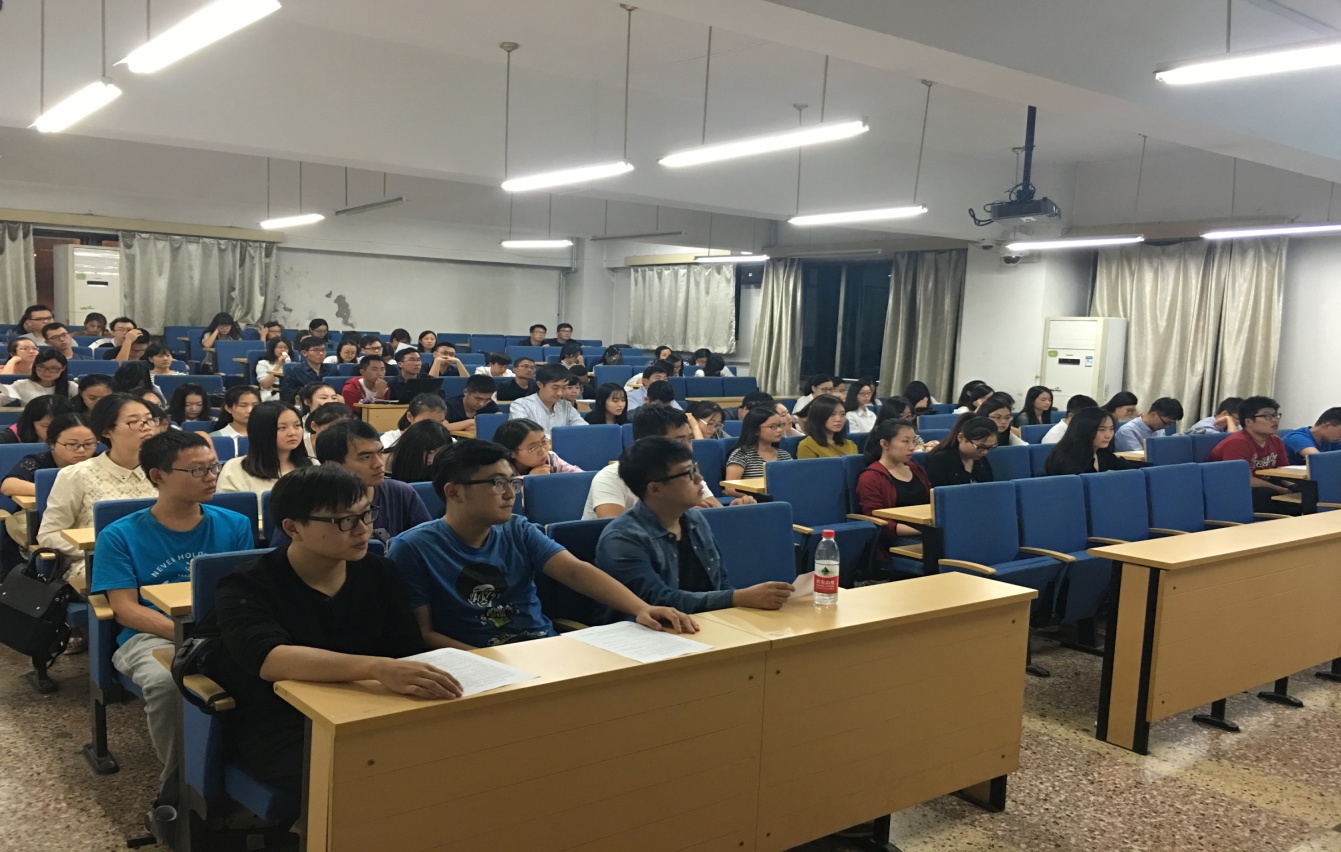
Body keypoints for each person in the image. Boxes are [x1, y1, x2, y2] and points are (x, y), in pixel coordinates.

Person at [211, 465, 461, 802]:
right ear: (292, 527)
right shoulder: (247, 584)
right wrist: (375, 668)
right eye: (343, 521)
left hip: (372, 707)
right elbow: (269, 658)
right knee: (380, 774)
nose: (362, 529)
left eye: (366, 514)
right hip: (286, 722)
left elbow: (405, 649)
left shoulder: (380, 573)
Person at [388, 439, 697, 649]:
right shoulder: (413, 549)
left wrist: (642, 608)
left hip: (543, 651)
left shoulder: (517, 529)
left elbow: (575, 571)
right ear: (454, 492)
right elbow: (424, 635)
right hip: (473, 666)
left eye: (513, 482)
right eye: (496, 483)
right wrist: (487, 661)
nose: (510, 494)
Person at [91, 430, 254, 814]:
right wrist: (186, 635)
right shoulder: (120, 535)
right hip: (149, 637)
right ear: (157, 476)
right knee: (169, 683)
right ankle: (178, 794)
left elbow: (245, 593)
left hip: (220, 632)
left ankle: (243, 776)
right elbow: (125, 609)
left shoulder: (234, 524)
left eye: (213, 467)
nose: (211, 477)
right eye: (197, 470)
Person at [595, 436, 791, 617]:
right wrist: (737, 598)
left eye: (695, 469)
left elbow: (720, 582)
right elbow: (658, 601)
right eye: (688, 473)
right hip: (653, 633)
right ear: (655, 489)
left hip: (710, 623)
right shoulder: (622, 538)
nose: (699, 479)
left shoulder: (694, 519)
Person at [38, 394, 159, 576]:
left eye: (149, 420)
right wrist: (104, 549)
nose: (147, 428)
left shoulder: (165, 471)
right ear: (106, 431)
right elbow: (48, 535)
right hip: (98, 563)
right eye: (134, 422)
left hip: (158, 557)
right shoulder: (77, 475)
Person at [270, 419, 431, 547]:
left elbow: (426, 545)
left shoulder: (401, 493)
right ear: (332, 465)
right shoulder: (306, 501)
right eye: (365, 457)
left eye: (380, 452)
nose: (379, 463)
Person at [583, 405, 748, 519]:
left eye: (689, 439)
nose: (688, 449)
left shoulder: (687, 473)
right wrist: (682, 516)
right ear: (648, 443)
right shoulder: (610, 478)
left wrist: (734, 511)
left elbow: (715, 512)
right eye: (679, 441)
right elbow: (617, 531)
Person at [856, 418, 931, 558]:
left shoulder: (916, 468)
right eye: (905, 441)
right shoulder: (871, 477)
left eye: (913, 441)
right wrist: (923, 530)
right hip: (895, 538)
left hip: (926, 531)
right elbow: (875, 519)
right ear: (885, 444)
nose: (912, 447)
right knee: (941, 548)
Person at [1206, 397, 1294, 511]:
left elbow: (1283, 471)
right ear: (1249, 422)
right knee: (1266, 494)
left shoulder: (1276, 440)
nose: (1274, 420)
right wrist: (1281, 489)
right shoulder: (1237, 442)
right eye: (1267, 416)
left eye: (1275, 415)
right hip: (1230, 489)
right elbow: (1244, 480)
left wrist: (1293, 487)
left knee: (1306, 489)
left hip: (1263, 483)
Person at [218, 401, 313, 497]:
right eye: (282, 427)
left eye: (297, 425)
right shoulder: (235, 470)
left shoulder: (313, 466)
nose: (292, 433)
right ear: (262, 431)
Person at [1044, 407, 1146, 475]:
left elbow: (1126, 466)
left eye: (1111, 429)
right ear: (1084, 430)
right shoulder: (1066, 459)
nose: (1108, 435)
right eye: (1101, 430)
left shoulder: (1101, 453)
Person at [723, 407, 793, 496]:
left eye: (780, 425)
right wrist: (749, 497)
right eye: (773, 426)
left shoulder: (785, 455)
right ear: (756, 430)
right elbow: (729, 488)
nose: (779, 430)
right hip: (755, 501)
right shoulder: (742, 454)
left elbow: (792, 481)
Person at [507, 364, 586, 434]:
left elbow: (583, 429)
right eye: (555, 388)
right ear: (540, 385)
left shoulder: (566, 406)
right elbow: (525, 434)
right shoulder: (521, 405)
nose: (560, 393)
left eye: (564, 388)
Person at [925, 415, 997, 487]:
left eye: (990, 447)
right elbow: (939, 492)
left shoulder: (982, 461)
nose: (985, 452)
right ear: (961, 438)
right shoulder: (939, 461)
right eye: (980, 447)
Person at [494, 419, 582, 476]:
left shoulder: (550, 457)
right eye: (533, 447)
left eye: (544, 442)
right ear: (511, 452)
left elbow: (579, 476)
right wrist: (531, 479)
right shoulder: (500, 468)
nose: (543, 451)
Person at [385, 419, 454, 483]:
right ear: (413, 447)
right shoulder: (384, 465)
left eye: (439, 453)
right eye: (430, 452)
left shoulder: (435, 465)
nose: (432, 460)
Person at [2, 349, 75, 405]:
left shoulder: (70, 386)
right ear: (35, 366)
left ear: (63, 368)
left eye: (53, 368)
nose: (47, 372)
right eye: (41, 367)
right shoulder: (21, 385)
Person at [1113, 397, 1184, 453]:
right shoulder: (1127, 431)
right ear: (1153, 415)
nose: (1166, 427)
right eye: (1166, 423)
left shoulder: (1159, 427)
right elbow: (1141, 458)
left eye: (1170, 424)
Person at [279, 336, 336, 404]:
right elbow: (286, 396)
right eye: (316, 350)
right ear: (304, 353)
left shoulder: (332, 370)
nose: (321, 353)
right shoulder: (294, 371)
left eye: (323, 350)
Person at [380, 393, 448, 449]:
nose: (433, 428)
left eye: (439, 423)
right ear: (410, 417)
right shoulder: (389, 440)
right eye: (426, 423)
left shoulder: (447, 442)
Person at [0, 395, 71, 445]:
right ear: (30, 424)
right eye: (45, 426)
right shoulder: (6, 439)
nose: (54, 431)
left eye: (61, 426)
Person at [255, 337, 291, 402]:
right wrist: (279, 365)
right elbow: (265, 385)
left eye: (285, 348)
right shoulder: (263, 363)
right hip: (270, 393)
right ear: (272, 349)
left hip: (289, 393)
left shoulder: (291, 364)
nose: (283, 350)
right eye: (280, 347)